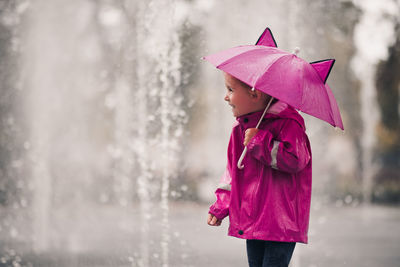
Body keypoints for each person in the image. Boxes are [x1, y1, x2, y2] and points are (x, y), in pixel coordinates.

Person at [207, 72, 312, 267]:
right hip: (253, 218)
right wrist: (221, 205)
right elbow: (232, 173)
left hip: (280, 223)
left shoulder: (289, 125)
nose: (226, 97)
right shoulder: (239, 130)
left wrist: (259, 141)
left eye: (230, 90)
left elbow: (296, 160)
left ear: (254, 95)